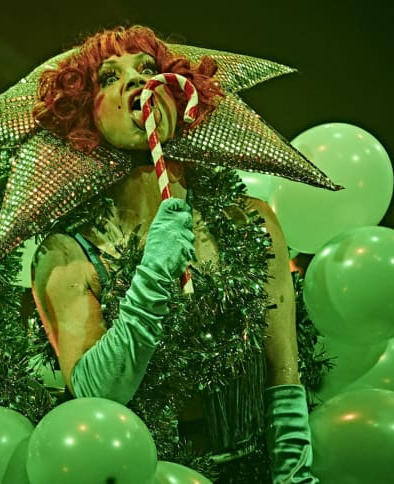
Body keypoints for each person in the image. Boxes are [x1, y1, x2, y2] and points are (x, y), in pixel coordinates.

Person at [29, 25, 317, 483]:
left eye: (147, 69)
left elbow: (281, 369)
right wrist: (153, 276)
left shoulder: (250, 221)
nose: (136, 82)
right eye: (108, 78)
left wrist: (293, 472)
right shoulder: (68, 254)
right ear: (85, 115)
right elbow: (94, 395)